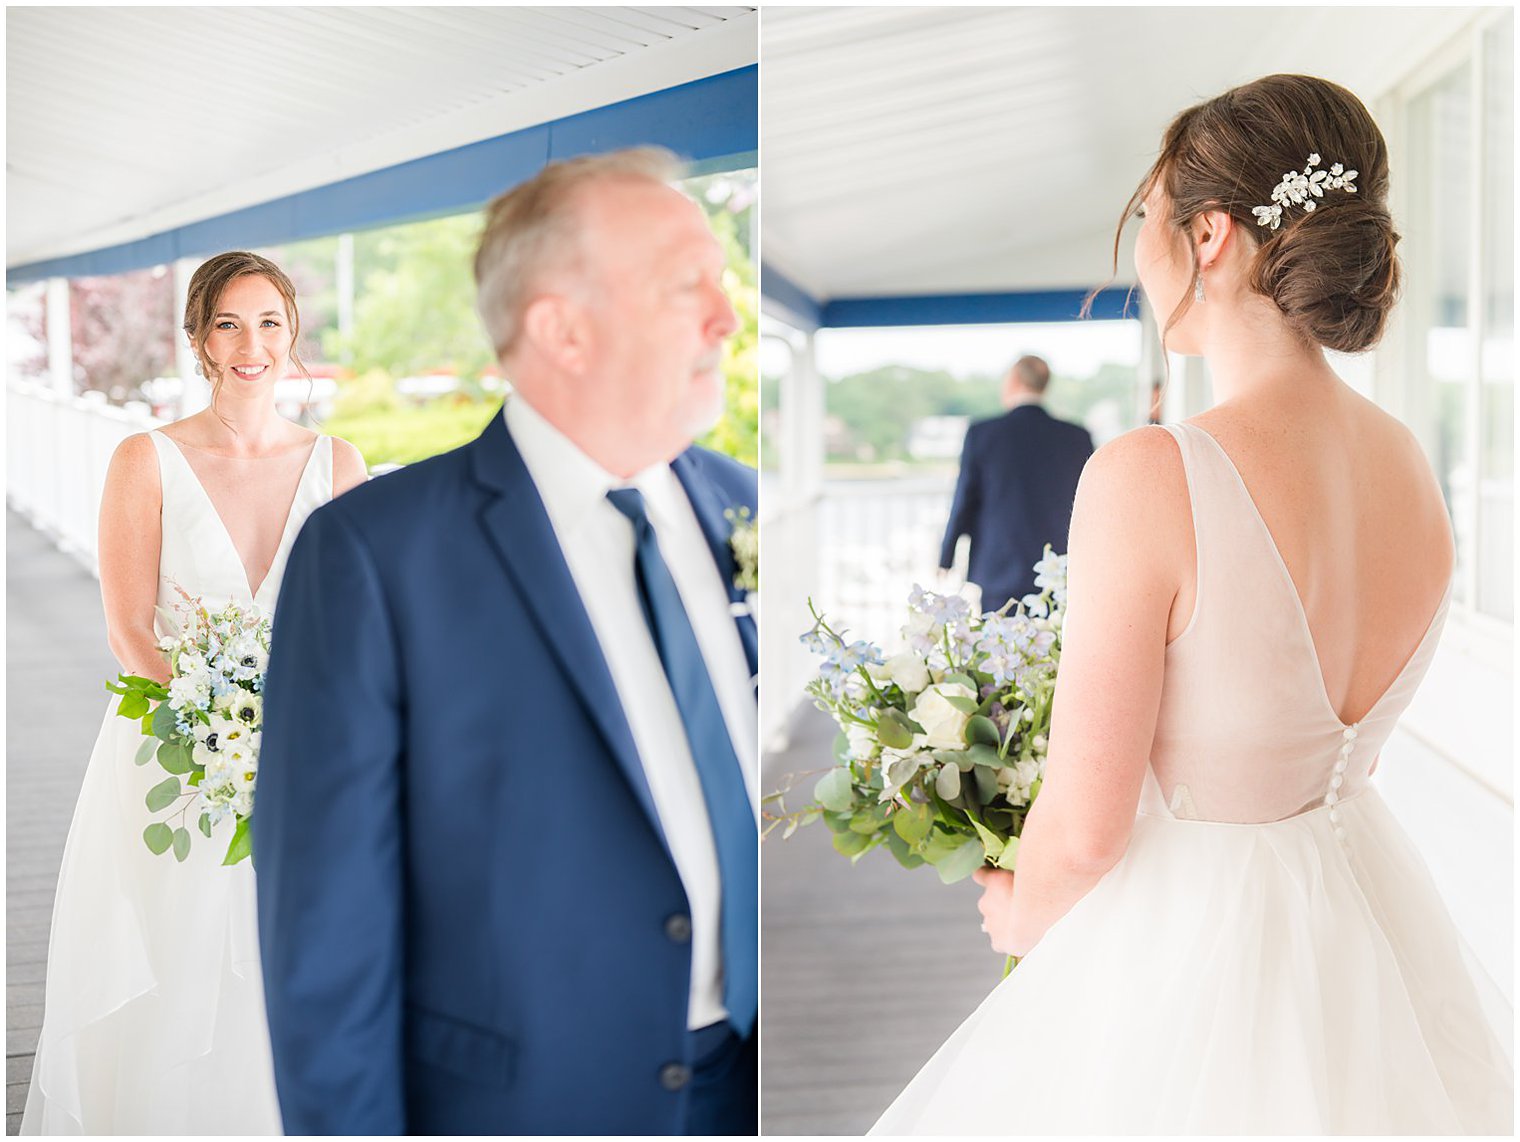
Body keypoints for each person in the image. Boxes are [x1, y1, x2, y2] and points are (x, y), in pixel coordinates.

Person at [874, 75, 1512, 1134]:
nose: (1140, 254)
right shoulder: (1408, 466)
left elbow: (1082, 831)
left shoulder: (1150, 473)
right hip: (1361, 929)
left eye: (1148, 216)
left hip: (1190, 959)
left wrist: (1020, 909)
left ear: (1208, 233)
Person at [254, 147, 759, 1135]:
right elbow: (327, 940)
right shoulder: (372, 555)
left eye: (721, 280)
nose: (724, 316)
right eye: (683, 285)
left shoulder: (748, 508)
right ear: (560, 329)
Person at [20, 252, 367, 1134]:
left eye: (269, 324)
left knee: (285, 960)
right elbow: (130, 629)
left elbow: (355, 628)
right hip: (170, 758)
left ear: (292, 339)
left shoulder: (340, 464)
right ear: (199, 340)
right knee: (169, 972)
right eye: (228, 323)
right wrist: (223, 732)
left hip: (306, 765)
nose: (251, 344)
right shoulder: (147, 459)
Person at [938, 355, 1093, 613]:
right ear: (1044, 384)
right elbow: (1090, 503)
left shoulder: (983, 433)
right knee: (1057, 647)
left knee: (1000, 648)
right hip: (1060, 569)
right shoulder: (1076, 436)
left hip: (1000, 565)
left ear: (1013, 381)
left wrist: (947, 556)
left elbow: (964, 499)